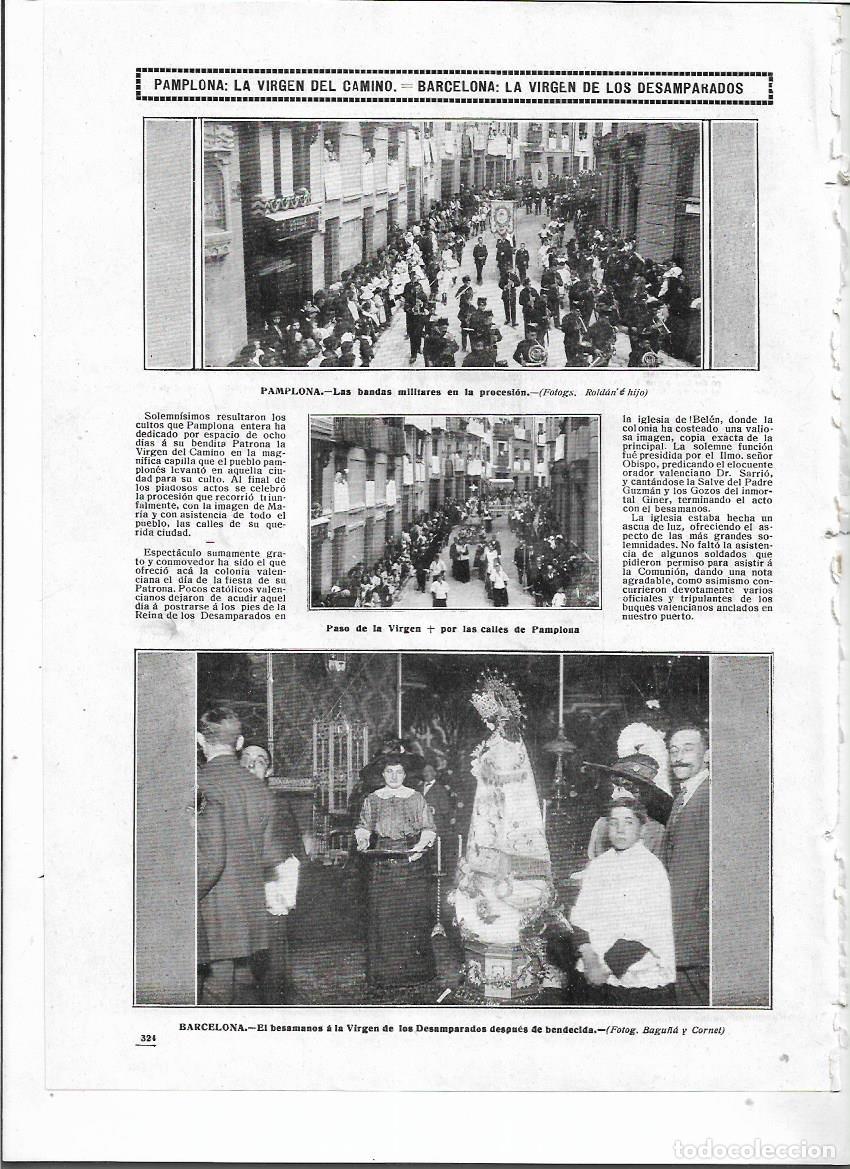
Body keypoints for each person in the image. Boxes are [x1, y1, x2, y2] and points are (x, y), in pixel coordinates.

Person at [196, 708, 287, 1005]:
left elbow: (210, 859)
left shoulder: (200, 783)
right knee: (245, 981)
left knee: (216, 987)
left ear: (200, 740)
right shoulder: (261, 790)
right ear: (239, 743)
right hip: (250, 902)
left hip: (212, 904)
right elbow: (271, 856)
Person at [570, 795, 676, 1006]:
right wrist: (589, 958)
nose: (620, 829)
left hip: (632, 974)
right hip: (594, 971)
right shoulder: (600, 865)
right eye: (614, 822)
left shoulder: (650, 869)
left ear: (642, 829)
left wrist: (603, 968)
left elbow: (647, 933)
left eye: (628, 822)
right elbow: (580, 917)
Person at [354, 754, 437, 991]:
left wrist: (418, 849)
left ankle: (415, 972)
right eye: (389, 772)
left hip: (411, 863)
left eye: (398, 772)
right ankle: (384, 974)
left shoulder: (415, 797)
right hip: (381, 864)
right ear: (382, 775)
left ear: (405, 774)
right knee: (383, 917)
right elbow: (363, 826)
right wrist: (363, 841)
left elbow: (429, 829)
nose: (393, 776)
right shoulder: (373, 799)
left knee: (411, 916)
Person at [240, 744, 305, 1004]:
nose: (250, 765)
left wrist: (278, 892)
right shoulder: (222, 801)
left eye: (259, 761)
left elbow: (292, 855)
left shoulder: (278, 805)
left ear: (269, 770)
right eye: (245, 759)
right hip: (232, 892)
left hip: (268, 891)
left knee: (270, 958)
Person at [662, 722, 711, 1006]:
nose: (678, 756)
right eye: (673, 750)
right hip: (682, 934)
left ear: (707, 754)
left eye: (688, 749)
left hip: (698, 934)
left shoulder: (710, 794)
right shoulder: (683, 796)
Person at [586, 753, 672, 860]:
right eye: (614, 788)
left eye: (620, 789)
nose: (613, 795)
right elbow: (592, 863)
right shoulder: (602, 824)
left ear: (638, 793)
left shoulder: (656, 831)